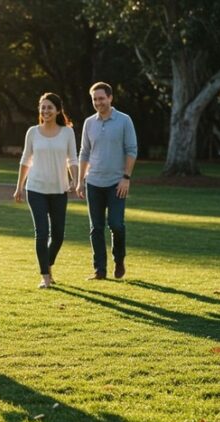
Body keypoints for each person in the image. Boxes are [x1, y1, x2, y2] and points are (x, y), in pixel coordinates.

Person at [14, 93, 79, 289]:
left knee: (58, 235)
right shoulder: (32, 132)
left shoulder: (67, 132)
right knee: (41, 233)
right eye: (42, 107)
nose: (45, 111)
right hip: (36, 188)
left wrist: (76, 180)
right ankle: (45, 276)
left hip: (59, 190)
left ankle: (48, 264)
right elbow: (26, 160)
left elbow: (73, 159)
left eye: (49, 107)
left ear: (58, 110)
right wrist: (19, 187)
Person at [77, 82, 138, 280]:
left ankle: (119, 260)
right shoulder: (89, 123)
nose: (98, 102)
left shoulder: (124, 120)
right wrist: (80, 181)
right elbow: (84, 152)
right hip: (93, 182)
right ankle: (99, 270)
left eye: (101, 98)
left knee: (116, 224)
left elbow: (131, 150)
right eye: (95, 99)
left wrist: (126, 178)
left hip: (116, 183)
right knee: (96, 228)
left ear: (110, 98)